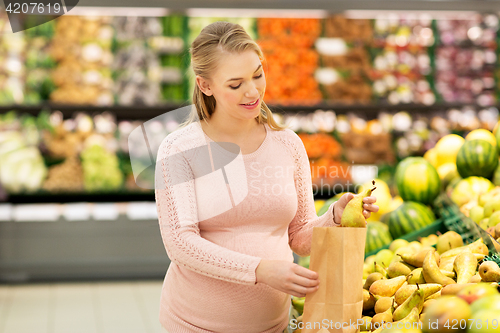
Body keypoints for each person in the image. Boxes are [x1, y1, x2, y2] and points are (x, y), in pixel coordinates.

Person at [154, 21, 379, 333]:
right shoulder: (179, 149)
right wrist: (258, 270)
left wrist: (334, 218)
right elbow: (180, 243)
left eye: (257, 74)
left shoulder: (288, 144)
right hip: (195, 325)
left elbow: (299, 236)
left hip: (274, 325)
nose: (252, 91)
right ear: (206, 85)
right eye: (235, 85)